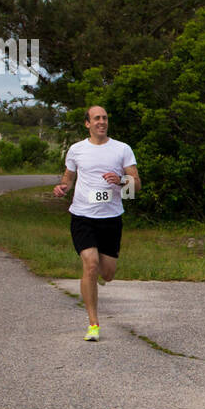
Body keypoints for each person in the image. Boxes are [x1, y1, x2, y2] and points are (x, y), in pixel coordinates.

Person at [52, 105, 140, 341]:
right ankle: (93, 324)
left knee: (108, 274)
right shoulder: (76, 149)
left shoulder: (122, 149)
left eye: (105, 117)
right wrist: (62, 188)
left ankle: (96, 283)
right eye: (96, 118)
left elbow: (136, 186)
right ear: (87, 124)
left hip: (111, 219)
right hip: (82, 216)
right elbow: (68, 179)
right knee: (90, 265)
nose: (102, 121)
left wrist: (122, 181)